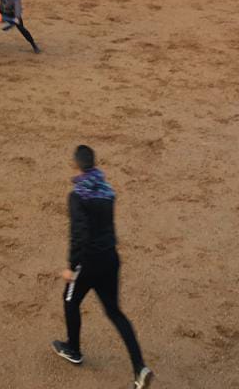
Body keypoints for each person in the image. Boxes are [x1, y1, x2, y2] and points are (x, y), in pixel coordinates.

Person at [52, 145, 152, 389]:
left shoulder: (76, 196)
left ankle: (74, 349)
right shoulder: (108, 191)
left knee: (69, 300)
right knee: (115, 313)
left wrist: (71, 266)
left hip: (88, 263)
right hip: (110, 258)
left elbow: (79, 234)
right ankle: (140, 368)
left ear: (75, 165)